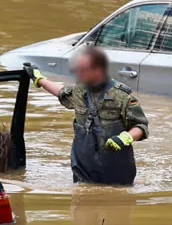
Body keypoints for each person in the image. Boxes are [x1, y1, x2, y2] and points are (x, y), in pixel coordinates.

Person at [25, 48, 148, 185]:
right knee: (81, 199)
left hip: (116, 169)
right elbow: (60, 92)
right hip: (83, 168)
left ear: (98, 70)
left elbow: (141, 126)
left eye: (83, 70)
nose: (78, 73)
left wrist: (125, 138)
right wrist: (39, 79)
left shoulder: (122, 95)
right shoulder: (80, 91)